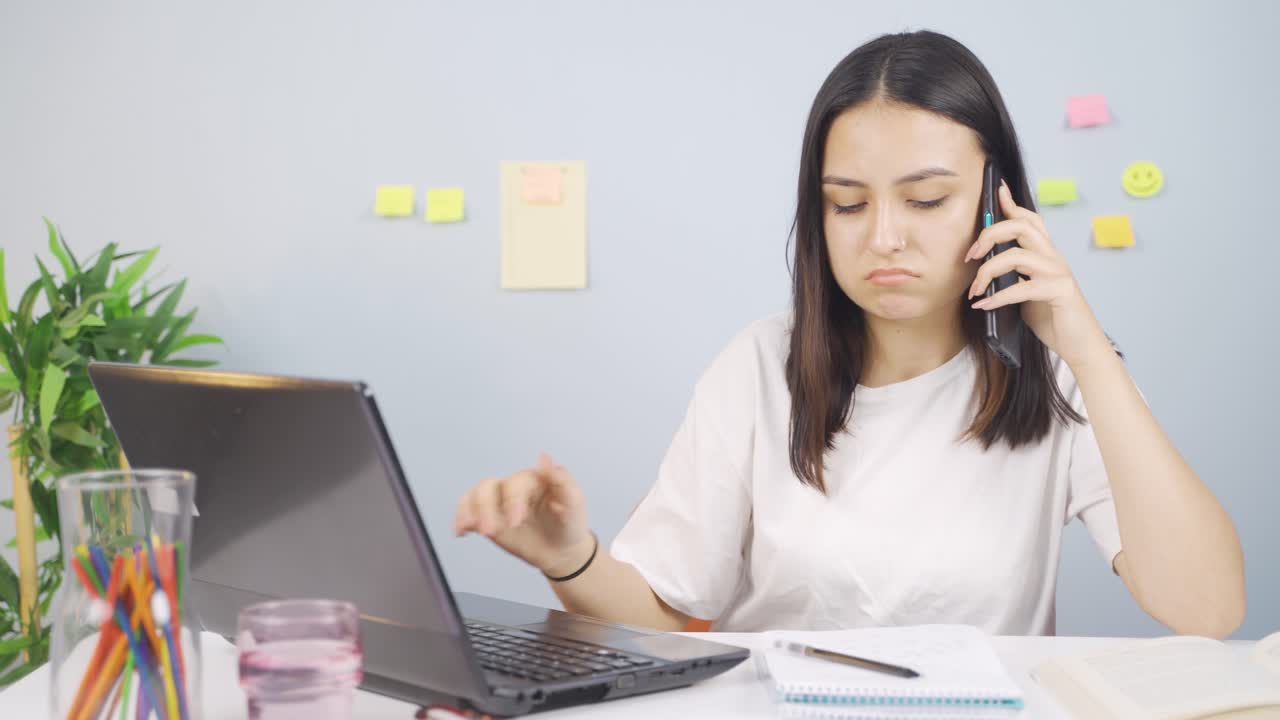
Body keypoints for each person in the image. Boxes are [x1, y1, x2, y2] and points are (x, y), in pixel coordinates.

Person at [453, 30, 1245, 638]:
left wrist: (1087, 349)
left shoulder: (1062, 375)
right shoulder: (759, 365)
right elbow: (660, 615)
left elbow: (1207, 610)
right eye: (848, 203)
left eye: (926, 200)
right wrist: (570, 556)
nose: (883, 238)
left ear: (996, 203)